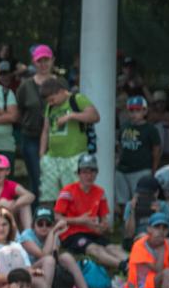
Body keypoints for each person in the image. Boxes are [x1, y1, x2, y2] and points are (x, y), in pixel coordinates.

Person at [53, 154, 128, 271]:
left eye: (92, 171)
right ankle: (125, 267)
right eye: (85, 172)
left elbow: (104, 219)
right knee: (95, 249)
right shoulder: (68, 191)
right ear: (78, 173)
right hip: (71, 234)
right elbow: (57, 217)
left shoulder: (100, 192)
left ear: (97, 173)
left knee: (112, 248)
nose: (89, 176)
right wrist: (80, 221)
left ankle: (133, 262)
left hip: (93, 232)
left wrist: (103, 226)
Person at [38, 77, 99, 205]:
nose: (51, 103)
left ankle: (74, 216)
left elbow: (95, 116)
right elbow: (45, 130)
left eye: (52, 99)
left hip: (74, 155)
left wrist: (71, 116)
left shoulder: (77, 99)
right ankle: (50, 216)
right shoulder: (50, 106)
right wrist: (42, 154)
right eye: (48, 101)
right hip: (52, 157)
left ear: (61, 91)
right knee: (48, 195)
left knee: (74, 194)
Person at [116, 96, 161, 209]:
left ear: (145, 111)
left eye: (138, 110)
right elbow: (120, 145)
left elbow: (156, 150)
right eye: (131, 111)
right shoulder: (124, 126)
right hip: (122, 169)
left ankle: (138, 219)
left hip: (141, 169)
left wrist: (153, 169)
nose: (134, 114)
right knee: (122, 200)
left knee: (141, 200)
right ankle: (125, 218)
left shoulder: (151, 129)